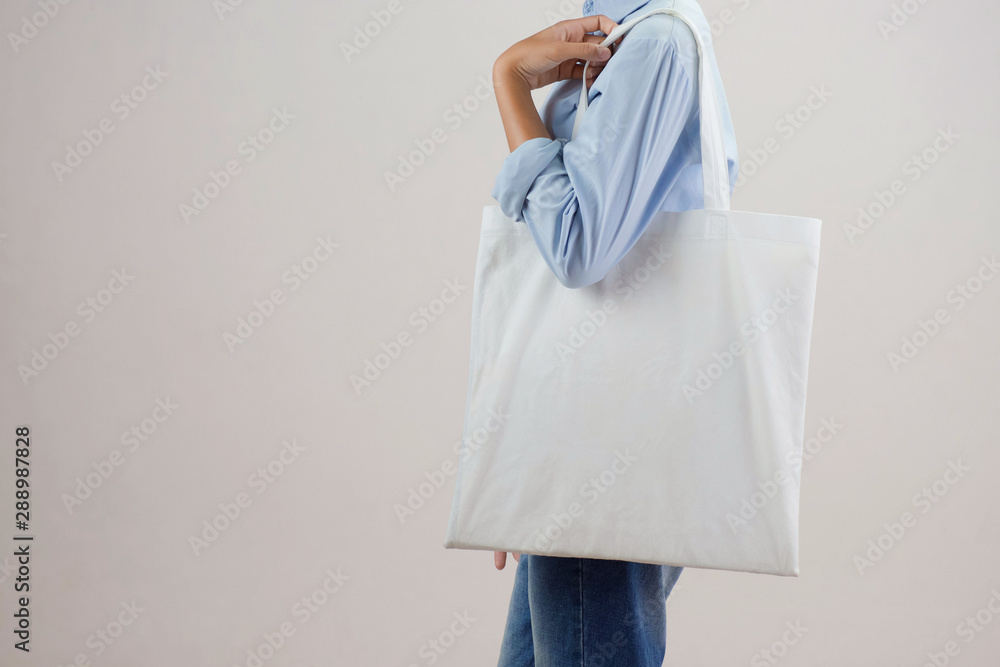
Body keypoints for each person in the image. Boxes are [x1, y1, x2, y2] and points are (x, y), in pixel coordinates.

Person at [488, 0, 739, 664]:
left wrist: (511, 79)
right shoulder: (628, 38)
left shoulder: (656, 43)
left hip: (604, 438)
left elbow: (576, 249)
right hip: (590, 429)